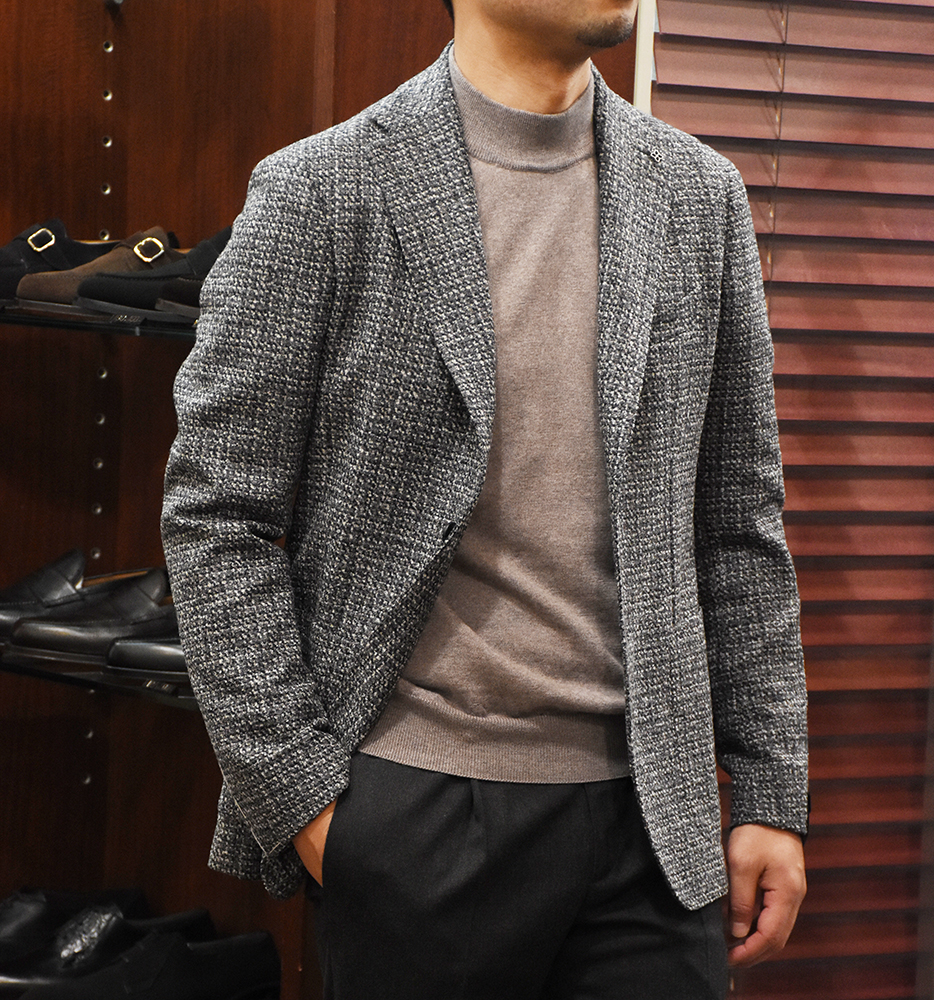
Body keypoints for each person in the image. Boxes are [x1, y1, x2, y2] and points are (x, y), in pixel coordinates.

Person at [161, 0, 809, 997]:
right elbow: (218, 512)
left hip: (654, 830)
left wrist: (768, 790)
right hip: (414, 820)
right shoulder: (323, 189)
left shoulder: (698, 194)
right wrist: (308, 803)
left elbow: (736, 523)